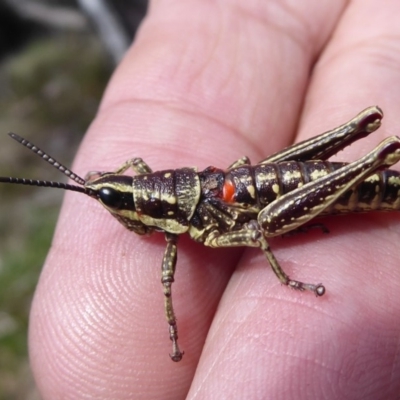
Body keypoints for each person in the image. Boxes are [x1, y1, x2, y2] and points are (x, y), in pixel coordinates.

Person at [30, 1, 400, 399]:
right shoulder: (149, 181)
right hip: (241, 184)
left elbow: (256, 238)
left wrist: (287, 279)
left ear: (151, 205)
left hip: (264, 193)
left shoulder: (190, 231)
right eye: (111, 193)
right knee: (248, 185)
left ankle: (374, 165)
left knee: (261, 230)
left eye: (111, 196)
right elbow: (136, 163)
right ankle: (371, 164)